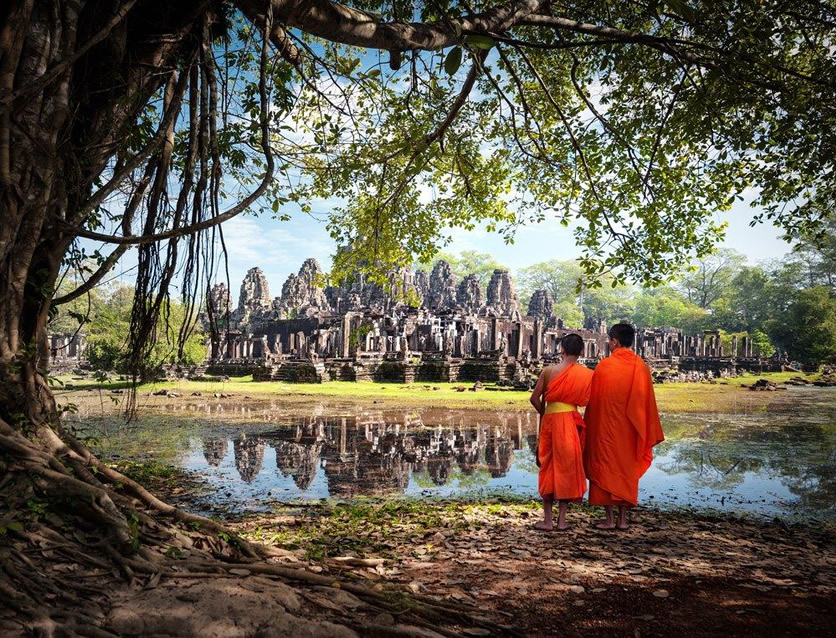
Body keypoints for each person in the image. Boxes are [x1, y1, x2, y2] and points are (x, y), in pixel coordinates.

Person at [583, 323, 664, 530]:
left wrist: (590, 427)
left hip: (605, 430)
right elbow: (646, 403)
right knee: (626, 470)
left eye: (610, 340)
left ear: (615, 341)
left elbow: (595, 402)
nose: (609, 344)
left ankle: (609, 519)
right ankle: (622, 520)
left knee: (604, 468)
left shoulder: (605, 366)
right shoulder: (641, 367)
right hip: (630, 431)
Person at [529, 333, 594, 530]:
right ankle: (562, 521)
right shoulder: (587, 374)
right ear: (582, 351)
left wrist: (547, 413)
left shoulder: (549, 371)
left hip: (550, 421)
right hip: (570, 422)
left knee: (548, 465)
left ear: (562, 349)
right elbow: (588, 401)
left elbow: (534, 398)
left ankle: (548, 520)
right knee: (567, 467)